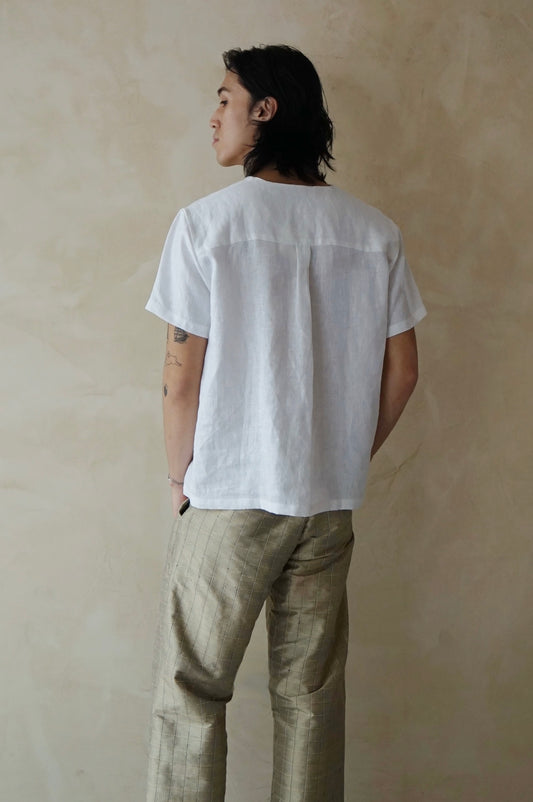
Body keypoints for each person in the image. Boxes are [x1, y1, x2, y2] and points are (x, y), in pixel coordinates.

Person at [144, 44, 426, 802]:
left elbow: (180, 379)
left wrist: (178, 481)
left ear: (264, 111)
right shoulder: (374, 232)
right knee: (309, 698)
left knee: (190, 690)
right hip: (326, 500)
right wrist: (343, 453)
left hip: (229, 491)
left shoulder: (206, 225)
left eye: (225, 98)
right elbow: (403, 371)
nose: (214, 116)